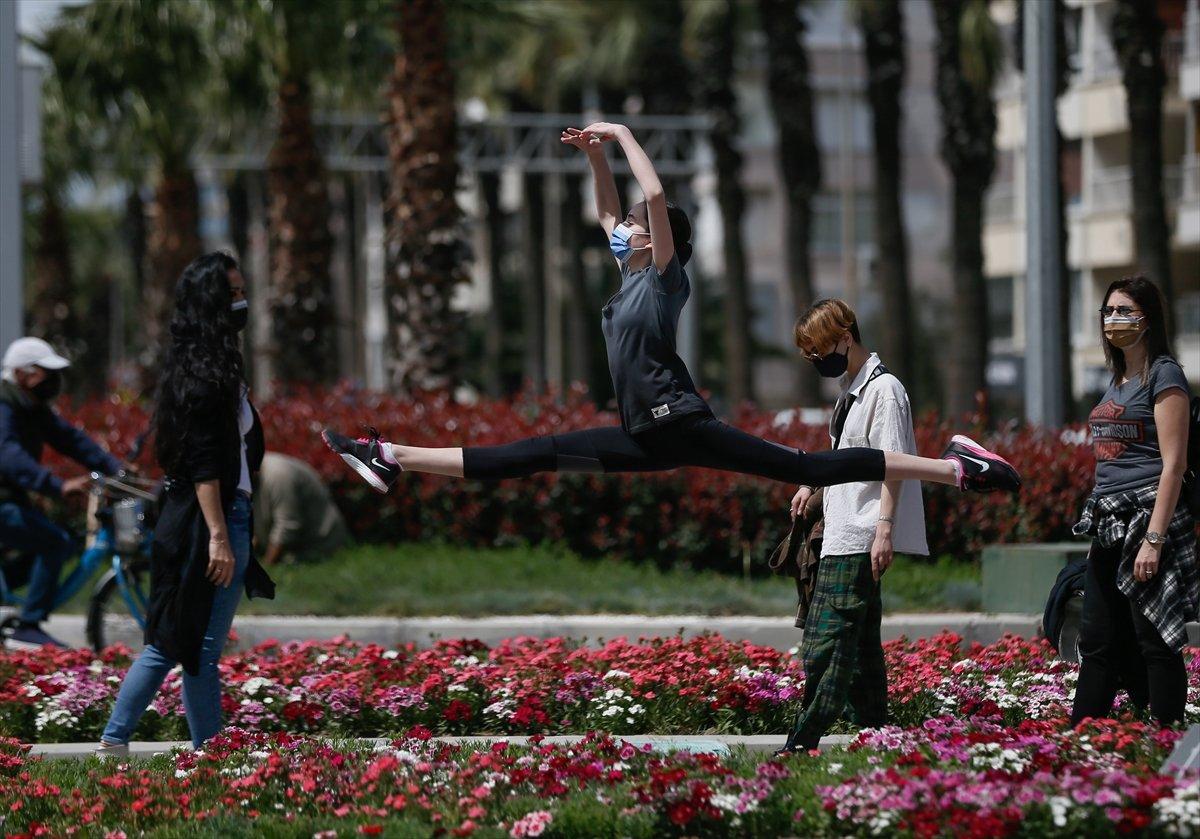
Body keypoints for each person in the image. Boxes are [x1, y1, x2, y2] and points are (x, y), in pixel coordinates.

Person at [322, 122, 1020, 501]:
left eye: (636, 224)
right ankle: (390, 457)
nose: (622, 228)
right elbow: (607, 208)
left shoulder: (662, 280)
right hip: (641, 434)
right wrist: (595, 157)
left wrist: (622, 134)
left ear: (660, 241)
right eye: (623, 225)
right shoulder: (626, 275)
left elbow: (651, 193)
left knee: (808, 469)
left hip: (682, 422)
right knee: (533, 455)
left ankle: (958, 468)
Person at [97, 252, 275, 757]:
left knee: (182, 641)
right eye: (233, 294)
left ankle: (151, 744)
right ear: (211, 303)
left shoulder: (211, 369)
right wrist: (220, 535)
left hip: (217, 516)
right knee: (190, 644)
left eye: (243, 291)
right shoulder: (205, 378)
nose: (242, 302)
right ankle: (189, 749)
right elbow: (203, 465)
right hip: (208, 521)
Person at [777, 299, 928, 755]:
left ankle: (800, 746)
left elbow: (892, 465)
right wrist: (815, 487)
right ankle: (880, 740)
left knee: (826, 646)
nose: (818, 360)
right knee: (861, 652)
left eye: (820, 349)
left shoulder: (885, 391)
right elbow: (847, 459)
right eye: (810, 354)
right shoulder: (851, 390)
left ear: (846, 335)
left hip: (859, 537)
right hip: (841, 534)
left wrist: (884, 529)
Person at [1070, 275, 1197, 728]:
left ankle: (1164, 740)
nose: (1114, 320)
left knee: (1154, 639)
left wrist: (1155, 539)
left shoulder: (1164, 375)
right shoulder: (1116, 380)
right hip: (1107, 521)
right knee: (1098, 638)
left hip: (1147, 519)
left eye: (1125, 311)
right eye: (1108, 311)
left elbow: (1174, 465)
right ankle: (1081, 739)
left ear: (1148, 319)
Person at [0, 336, 122, 648]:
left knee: (61, 543)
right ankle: (27, 626)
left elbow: (69, 439)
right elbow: (9, 456)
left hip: (9, 499)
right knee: (53, 543)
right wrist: (57, 485)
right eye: (46, 373)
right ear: (23, 374)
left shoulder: (30, 407)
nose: (54, 381)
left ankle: (15, 612)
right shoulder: (5, 407)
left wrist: (115, 469)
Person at [253, 451, 351, 565]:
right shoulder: (252, 473)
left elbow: (287, 525)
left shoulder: (279, 474)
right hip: (294, 545)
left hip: (319, 543)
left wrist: (267, 565)